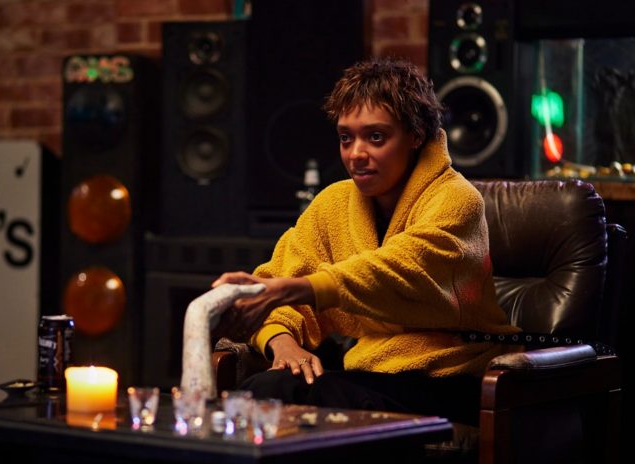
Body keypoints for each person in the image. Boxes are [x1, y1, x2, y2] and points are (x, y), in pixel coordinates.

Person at [212, 57, 519, 426]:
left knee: (318, 395)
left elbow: (399, 270)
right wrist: (283, 343)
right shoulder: (333, 204)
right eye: (346, 138)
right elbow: (283, 275)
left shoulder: (456, 199)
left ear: (415, 136)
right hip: (371, 373)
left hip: (451, 379)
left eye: (376, 137)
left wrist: (291, 289)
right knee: (264, 388)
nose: (356, 154)